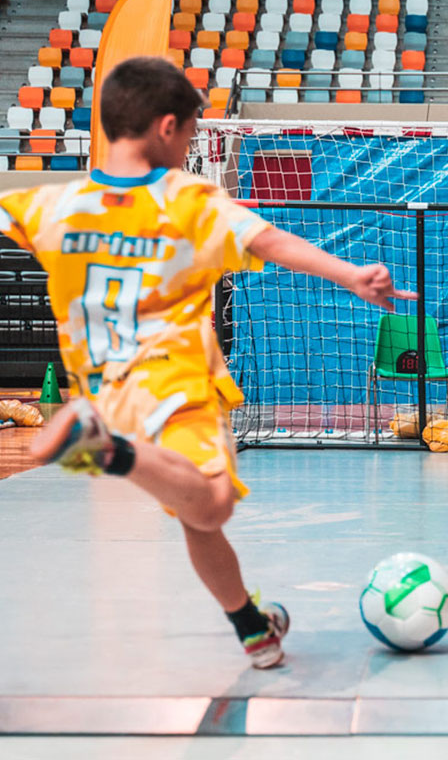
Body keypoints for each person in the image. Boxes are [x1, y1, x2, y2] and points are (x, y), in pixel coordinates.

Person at [0, 57, 416, 667]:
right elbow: (270, 242)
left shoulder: (53, 205)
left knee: (199, 520)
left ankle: (251, 625)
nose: (194, 145)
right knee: (214, 502)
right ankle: (107, 450)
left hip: (103, 391)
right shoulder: (186, 201)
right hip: (175, 384)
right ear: (167, 127)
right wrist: (351, 274)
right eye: (194, 133)